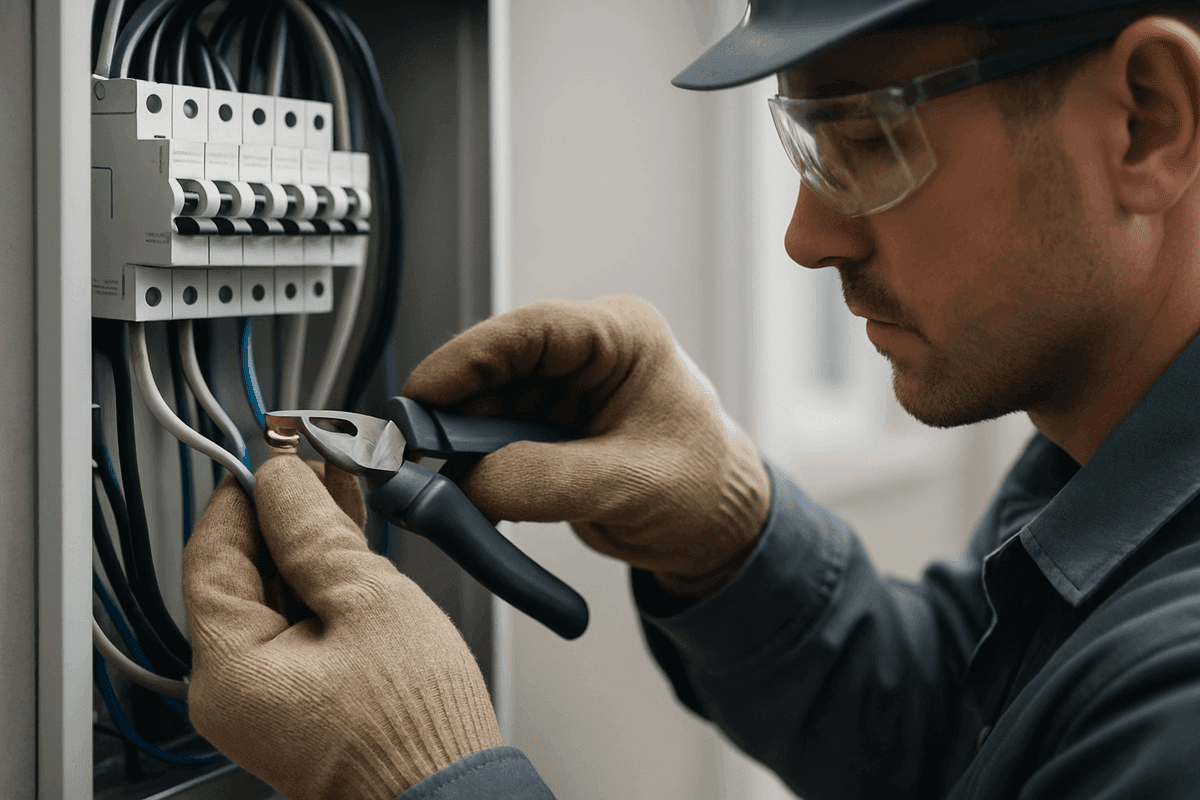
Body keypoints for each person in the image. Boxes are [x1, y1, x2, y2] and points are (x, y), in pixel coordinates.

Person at [182, 0, 1200, 797]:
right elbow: (953, 730)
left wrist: (426, 778)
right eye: (809, 143)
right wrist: (736, 539)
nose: (805, 239)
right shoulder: (1090, 452)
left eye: (868, 139)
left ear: (1147, 122)